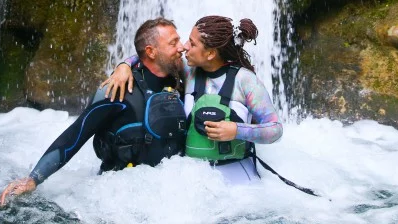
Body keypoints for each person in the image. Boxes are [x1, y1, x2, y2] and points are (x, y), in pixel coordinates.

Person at [0, 17, 186, 207]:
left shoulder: (180, 79)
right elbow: (76, 134)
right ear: (151, 52)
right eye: (174, 43)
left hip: (170, 194)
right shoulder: (116, 91)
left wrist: (125, 63)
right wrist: (33, 179)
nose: (182, 47)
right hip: (120, 200)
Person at [105, 15, 283, 184]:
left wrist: (237, 130)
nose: (184, 47)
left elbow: (275, 129)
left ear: (211, 53)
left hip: (239, 179)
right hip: (192, 181)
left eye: (192, 43)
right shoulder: (189, 73)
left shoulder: (245, 80)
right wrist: (124, 65)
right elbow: (152, 53)